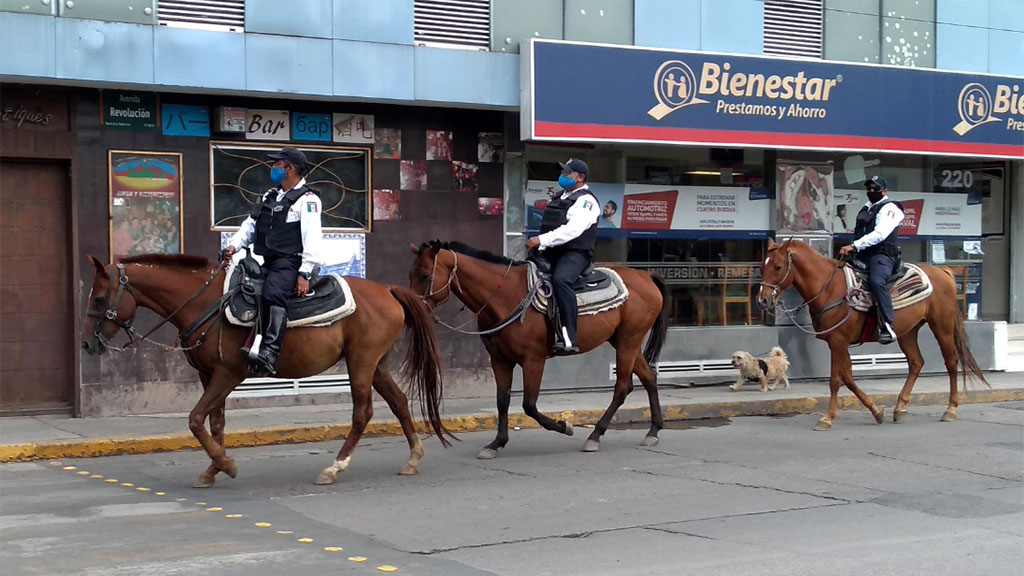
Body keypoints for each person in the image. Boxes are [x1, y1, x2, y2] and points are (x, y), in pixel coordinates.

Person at [222, 147, 324, 375]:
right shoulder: (270, 195)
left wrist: (304, 273)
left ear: (290, 169)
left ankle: (269, 352)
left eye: (278, 164)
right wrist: (233, 245)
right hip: (268, 260)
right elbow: (250, 225)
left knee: (273, 293)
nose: (273, 168)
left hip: (291, 262)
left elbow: (313, 238)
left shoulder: (308, 200)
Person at [525, 158, 601, 355]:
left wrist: (541, 240)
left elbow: (573, 230)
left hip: (575, 253)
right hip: (552, 251)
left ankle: (569, 337)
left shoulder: (586, 201)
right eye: (563, 172)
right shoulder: (561, 197)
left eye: (568, 173)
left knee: (561, 280)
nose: (563, 176)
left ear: (580, 178)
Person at [839, 175, 905, 345]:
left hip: (882, 255)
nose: (871, 191)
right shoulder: (867, 208)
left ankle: (887, 325)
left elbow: (880, 234)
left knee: (877, 281)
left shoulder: (890, 208)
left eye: (875, 188)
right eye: (869, 188)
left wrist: (854, 245)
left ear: (885, 191)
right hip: (862, 254)